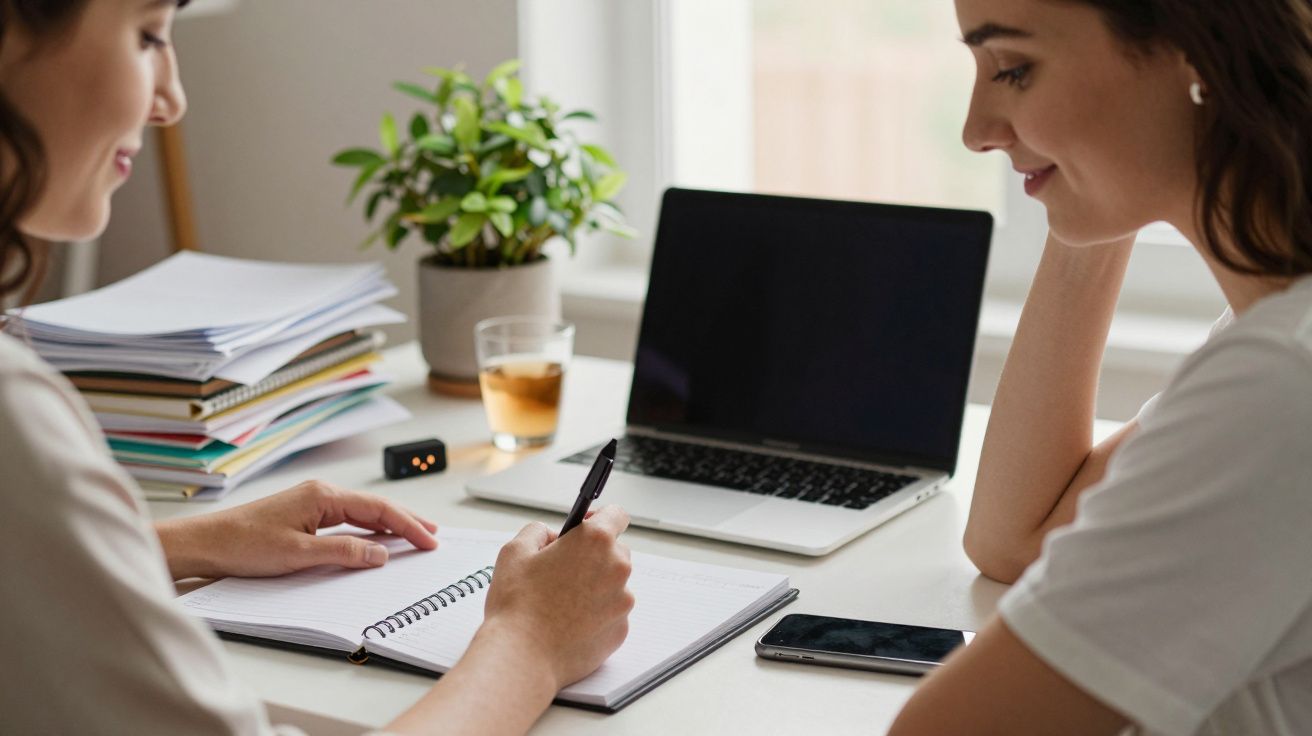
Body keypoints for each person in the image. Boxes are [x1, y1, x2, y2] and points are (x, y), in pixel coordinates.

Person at [0, 2, 634, 734]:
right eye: (146, 36)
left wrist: (184, 542)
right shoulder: (16, 413)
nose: (172, 100)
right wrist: (532, 642)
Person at [889, 1, 1312, 734]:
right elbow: (1013, 537)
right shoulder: (1271, 325)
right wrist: (1088, 174)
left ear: (1194, 48)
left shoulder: (1277, 383)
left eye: (1015, 70)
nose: (975, 131)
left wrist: (1091, 162)